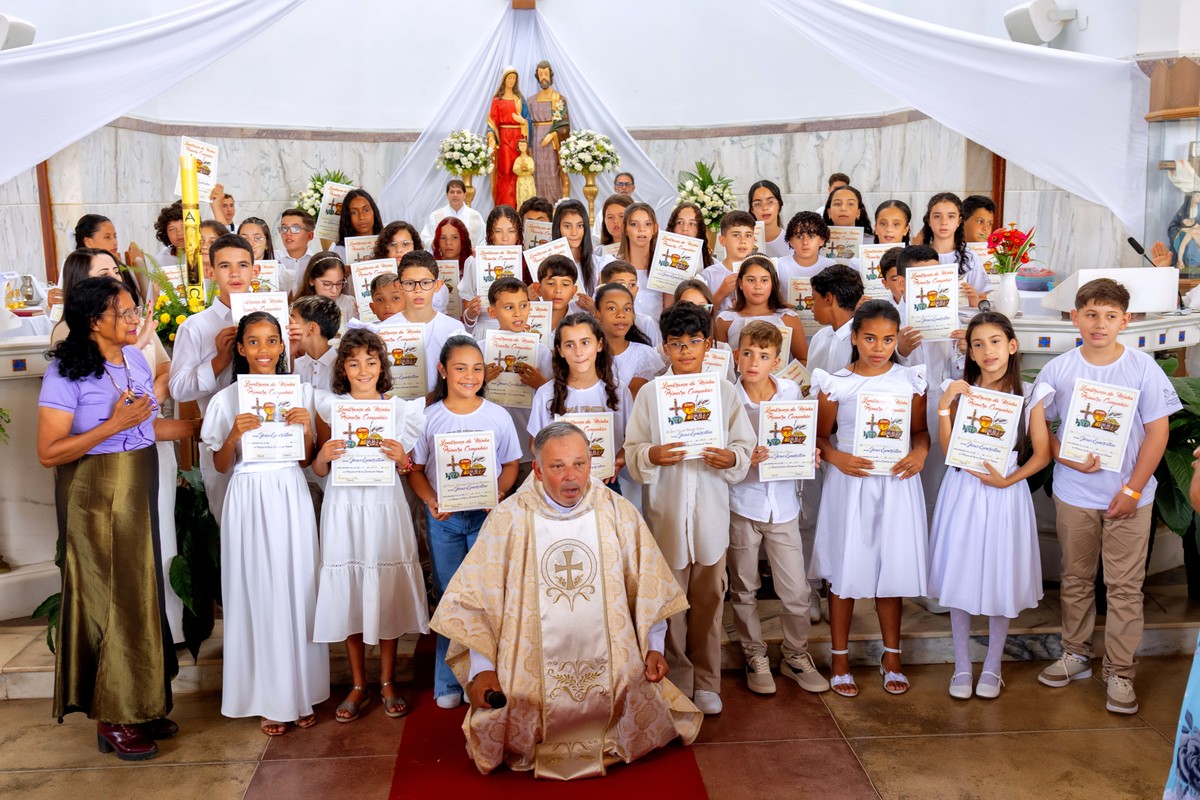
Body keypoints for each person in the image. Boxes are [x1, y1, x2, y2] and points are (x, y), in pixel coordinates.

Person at [430, 421, 701, 779]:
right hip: (528, 662)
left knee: (632, 680)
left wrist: (654, 647)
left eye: (580, 464)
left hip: (613, 658)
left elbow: (649, 584)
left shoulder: (618, 512)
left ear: (591, 463)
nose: (571, 476)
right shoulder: (509, 519)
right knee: (516, 694)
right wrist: (483, 669)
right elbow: (479, 599)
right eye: (558, 466)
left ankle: (612, 733)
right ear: (538, 470)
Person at [37, 277, 178, 761]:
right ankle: (113, 715)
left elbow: (147, 426)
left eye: (134, 309)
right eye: (125, 312)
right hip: (94, 493)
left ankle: (140, 701)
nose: (135, 319)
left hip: (137, 482)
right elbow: (49, 452)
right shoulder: (65, 374)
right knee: (109, 598)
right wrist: (112, 424)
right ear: (94, 320)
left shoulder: (135, 359)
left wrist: (210, 429)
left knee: (139, 591)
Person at [1033, 278, 1180, 714]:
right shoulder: (1058, 369)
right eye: (1091, 314)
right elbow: (1040, 427)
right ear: (1074, 317)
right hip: (1075, 494)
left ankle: (1120, 671)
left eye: (1110, 316)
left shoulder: (1142, 368)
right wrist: (1066, 457)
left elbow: (1158, 432)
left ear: (1125, 321)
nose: (1100, 324)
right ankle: (1076, 654)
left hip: (1130, 496)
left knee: (1125, 587)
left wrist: (1133, 489)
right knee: (1076, 578)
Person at [624, 302, 755, 715]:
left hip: (711, 513)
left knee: (710, 599)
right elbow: (633, 448)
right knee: (670, 602)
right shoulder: (651, 394)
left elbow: (744, 445)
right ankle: (677, 678)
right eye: (677, 343)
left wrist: (731, 458)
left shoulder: (724, 392)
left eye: (694, 342)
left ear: (708, 345)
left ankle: (708, 680)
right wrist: (651, 454)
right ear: (665, 347)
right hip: (667, 512)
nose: (685, 351)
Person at [201, 311, 328, 736]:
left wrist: (306, 430)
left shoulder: (300, 393)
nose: (263, 350)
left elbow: (304, 460)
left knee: (296, 586)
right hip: (249, 495)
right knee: (259, 588)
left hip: (289, 491)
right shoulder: (225, 400)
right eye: (253, 342)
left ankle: (301, 692)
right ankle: (269, 697)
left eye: (271, 340)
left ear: (282, 346)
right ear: (240, 348)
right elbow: (221, 465)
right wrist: (233, 437)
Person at [811, 299, 930, 697]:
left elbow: (920, 431)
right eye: (870, 339)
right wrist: (837, 457)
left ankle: (891, 656)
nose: (879, 348)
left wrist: (920, 452)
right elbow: (820, 437)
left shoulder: (909, 380)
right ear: (855, 338)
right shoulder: (836, 383)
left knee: (890, 567)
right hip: (851, 484)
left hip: (895, 484)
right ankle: (839, 658)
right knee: (844, 569)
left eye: (888, 339)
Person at [930, 312, 1050, 700]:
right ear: (969, 351)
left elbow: (1042, 454)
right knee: (960, 569)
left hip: (1005, 489)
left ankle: (993, 666)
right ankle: (962, 665)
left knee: (1001, 572)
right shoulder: (960, 390)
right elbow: (949, 449)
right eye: (978, 344)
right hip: (964, 488)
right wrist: (945, 407)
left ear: (1012, 346)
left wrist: (1008, 481)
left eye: (995, 341)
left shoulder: (1029, 393)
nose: (987, 351)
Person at [311, 328, 429, 722]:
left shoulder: (401, 410)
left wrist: (402, 459)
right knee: (351, 589)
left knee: (386, 587)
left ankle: (387, 681)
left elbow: (409, 468)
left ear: (382, 366)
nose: (363, 370)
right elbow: (319, 469)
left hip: (383, 506)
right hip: (344, 507)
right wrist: (324, 456)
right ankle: (359, 684)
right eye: (354, 362)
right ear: (343, 368)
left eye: (371, 361)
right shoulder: (330, 407)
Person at [408, 336, 521, 709]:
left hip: (485, 520)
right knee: (449, 596)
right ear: (442, 370)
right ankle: (447, 680)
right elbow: (416, 470)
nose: (469, 376)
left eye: (476, 368)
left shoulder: (497, 415)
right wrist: (431, 500)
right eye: (460, 368)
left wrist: (499, 492)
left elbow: (510, 464)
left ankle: (487, 675)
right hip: (445, 520)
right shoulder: (428, 417)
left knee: (487, 597)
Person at [730, 321, 830, 696]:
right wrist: (745, 459)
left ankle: (795, 655)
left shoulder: (789, 392)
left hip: (783, 505)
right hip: (742, 504)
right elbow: (719, 458)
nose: (754, 362)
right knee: (744, 589)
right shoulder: (727, 399)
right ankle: (754, 655)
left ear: (776, 361)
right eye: (747, 353)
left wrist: (808, 454)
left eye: (764, 355)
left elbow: (799, 438)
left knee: (796, 592)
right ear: (736, 356)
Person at [169, 233, 257, 519]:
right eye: (224, 266)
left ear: (255, 270)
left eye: (243, 265)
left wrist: (293, 349)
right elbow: (178, 389)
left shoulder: (275, 318)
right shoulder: (195, 326)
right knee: (229, 522)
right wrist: (219, 361)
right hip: (221, 438)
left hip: (269, 434)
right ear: (210, 272)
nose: (235, 273)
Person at [527, 312, 630, 489]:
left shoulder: (619, 391)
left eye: (585, 342)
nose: (579, 352)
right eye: (569, 345)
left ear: (599, 344)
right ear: (560, 351)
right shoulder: (546, 393)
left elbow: (632, 440)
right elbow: (534, 445)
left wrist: (619, 459)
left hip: (605, 481)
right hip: (560, 484)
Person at [479, 276, 552, 484]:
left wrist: (542, 384)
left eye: (523, 305)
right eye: (509, 307)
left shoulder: (542, 352)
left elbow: (556, 398)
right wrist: (481, 381)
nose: (518, 313)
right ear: (492, 312)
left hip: (528, 445)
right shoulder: (480, 350)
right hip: (492, 445)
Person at [383, 251, 467, 392]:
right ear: (399, 286)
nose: (418, 290)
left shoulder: (454, 329)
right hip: (399, 401)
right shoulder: (386, 330)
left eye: (425, 283)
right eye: (409, 283)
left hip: (441, 401)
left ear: (437, 285)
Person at [714, 255, 807, 364]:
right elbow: (719, 363)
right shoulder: (725, 320)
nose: (758, 286)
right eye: (751, 280)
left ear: (773, 284)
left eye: (764, 280)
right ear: (740, 283)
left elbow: (803, 359)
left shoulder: (788, 318)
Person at [917, 192, 989, 307]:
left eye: (951, 216)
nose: (944, 222)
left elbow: (982, 299)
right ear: (929, 221)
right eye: (937, 216)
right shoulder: (916, 257)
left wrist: (975, 298)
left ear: (959, 221)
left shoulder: (970, 257)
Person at [595, 277, 664, 393]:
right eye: (612, 308)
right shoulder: (585, 353)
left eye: (627, 309)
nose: (621, 314)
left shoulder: (643, 354)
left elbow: (633, 399)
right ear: (597, 315)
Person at [461, 206, 519, 334]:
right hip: (484, 331)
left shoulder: (526, 262)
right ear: (490, 234)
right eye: (498, 231)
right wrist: (471, 313)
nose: (505, 238)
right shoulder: (475, 262)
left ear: (518, 234)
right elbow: (467, 319)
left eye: (511, 231)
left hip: (517, 332)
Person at [485, 67, 532, 209]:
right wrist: (491, 137)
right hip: (504, 138)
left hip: (519, 139)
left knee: (519, 171)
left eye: (514, 78)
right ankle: (505, 207)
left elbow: (528, 119)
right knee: (505, 171)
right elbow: (492, 123)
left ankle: (519, 208)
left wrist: (523, 121)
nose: (512, 81)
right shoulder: (497, 101)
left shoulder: (520, 100)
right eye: (509, 78)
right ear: (504, 80)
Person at [529, 59, 570, 202]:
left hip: (553, 143)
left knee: (553, 172)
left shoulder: (559, 99)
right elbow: (527, 123)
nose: (543, 77)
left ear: (551, 75)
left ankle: (555, 204)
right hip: (536, 142)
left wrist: (552, 134)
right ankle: (538, 205)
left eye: (546, 74)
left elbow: (565, 124)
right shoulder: (531, 101)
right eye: (541, 74)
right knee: (538, 172)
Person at [552, 199, 602, 312]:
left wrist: (594, 309)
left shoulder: (599, 265)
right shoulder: (545, 264)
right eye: (567, 226)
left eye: (579, 226)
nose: (574, 233)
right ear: (558, 228)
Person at [702, 211, 757, 313]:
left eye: (748, 235)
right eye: (736, 235)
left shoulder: (762, 273)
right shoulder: (708, 275)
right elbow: (700, 315)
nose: (743, 241)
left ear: (754, 240)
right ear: (722, 240)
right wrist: (721, 293)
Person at [617, 203, 663, 320]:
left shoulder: (663, 267)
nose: (641, 229)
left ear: (655, 229)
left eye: (647, 224)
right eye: (634, 224)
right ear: (624, 229)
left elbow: (669, 310)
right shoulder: (612, 266)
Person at [290, 295, 340, 391]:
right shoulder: (294, 366)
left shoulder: (344, 366)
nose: (288, 326)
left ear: (311, 328)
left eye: (292, 321)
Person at [294, 251, 356, 328]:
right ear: (311, 280)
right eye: (327, 284)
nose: (334, 291)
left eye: (339, 283)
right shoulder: (298, 310)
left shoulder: (349, 303)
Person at [421, 179, 485, 248]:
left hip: (470, 255)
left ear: (464, 195)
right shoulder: (435, 216)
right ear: (447, 195)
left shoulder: (475, 216)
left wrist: (476, 251)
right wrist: (434, 243)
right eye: (452, 192)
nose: (455, 195)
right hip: (443, 255)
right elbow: (425, 238)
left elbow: (484, 239)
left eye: (459, 192)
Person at [334, 189, 384, 259]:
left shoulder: (388, 244)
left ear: (374, 212)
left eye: (366, 210)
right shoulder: (339, 251)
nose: (361, 217)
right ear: (347, 217)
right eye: (354, 212)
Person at [276, 208, 316, 294]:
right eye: (284, 228)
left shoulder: (316, 262)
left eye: (295, 228)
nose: (288, 233)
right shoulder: (273, 258)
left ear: (310, 235)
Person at [666, 201, 715, 268]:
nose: (685, 228)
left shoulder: (712, 265)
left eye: (692, 224)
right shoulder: (656, 258)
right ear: (673, 226)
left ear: (699, 229)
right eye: (680, 222)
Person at [749, 179, 790, 258]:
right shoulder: (745, 243)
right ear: (752, 209)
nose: (764, 208)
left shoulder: (792, 242)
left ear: (780, 205)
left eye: (770, 202)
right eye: (758, 204)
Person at [536, 254, 578, 330]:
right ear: (539, 289)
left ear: (573, 291)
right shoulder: (526, 322)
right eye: (551, 283)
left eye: (565, 284)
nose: (558, 290)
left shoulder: (580, 326)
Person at [513, 138, 536, 209]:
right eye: (521, 145)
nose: (523, 147)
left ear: (527, 147)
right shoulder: (518, 159)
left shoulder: (530, 159)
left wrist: (527, 167)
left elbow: (532, 169)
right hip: (521, 180)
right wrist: (521, 168)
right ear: (518, 147)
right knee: (521, 196)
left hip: (529, 179)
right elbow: (515, 169)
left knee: (530, 195)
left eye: (524, 145)